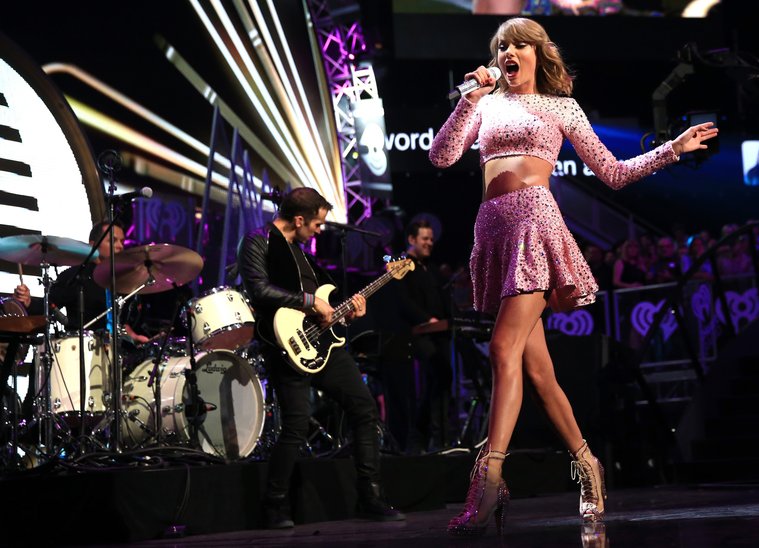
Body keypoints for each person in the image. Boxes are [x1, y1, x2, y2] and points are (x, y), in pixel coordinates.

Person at [428, 17, 717, 535]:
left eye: (518, 44)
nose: (508, 52)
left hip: (535, 229)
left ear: (539, 54)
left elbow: (613, 172)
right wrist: (469, 100)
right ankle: (588, 464)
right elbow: (442, 155)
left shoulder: (561, 107)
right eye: (501, 47)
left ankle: (489, 478)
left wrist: (671, 149)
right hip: (493, 232)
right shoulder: (486, 102)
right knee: (538, 374)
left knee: (500, 349)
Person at [237, 187, 405, 529]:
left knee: (364, 408)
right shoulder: (257, 241)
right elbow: (259, 290)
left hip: (324, 346)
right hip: (285, 346)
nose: (319, 230)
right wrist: (310, 302)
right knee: (296, 426)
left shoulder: (303, 254)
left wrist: (349, 310)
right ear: (299, 219)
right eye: (316, 223)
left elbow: (329, 304)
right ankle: (275, 505)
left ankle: (369, 497)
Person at [397, 219, 453, 453]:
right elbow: (403, 302)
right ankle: (424, 438)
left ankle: (441, 438)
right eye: (425, 239)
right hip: (417, 336)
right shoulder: (401, 265)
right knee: (433, 380)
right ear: (412, 240)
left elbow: (442, 300)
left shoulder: (430, 268)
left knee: (443, 379)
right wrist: (426, 319)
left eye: (431, 239)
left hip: (438, 334)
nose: (430, 243)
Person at [50, 221, 148, 344]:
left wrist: (134, 337)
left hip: (116, 352)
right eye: (113, 241)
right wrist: (27, 301)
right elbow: (47, 307)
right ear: (93, 245)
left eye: (122, 242)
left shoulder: (123, 280)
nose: (120, 246)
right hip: (82, 350)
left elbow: (120, 324)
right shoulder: (76, 276)